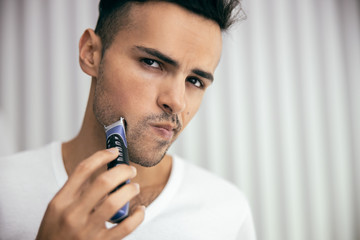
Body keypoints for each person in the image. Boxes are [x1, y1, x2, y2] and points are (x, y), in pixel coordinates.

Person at [0, 0, 256, 239]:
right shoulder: (6, 192)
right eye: (152, 63)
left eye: (195, 81)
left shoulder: (226, 213)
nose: (177, 102)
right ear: (90, 53)